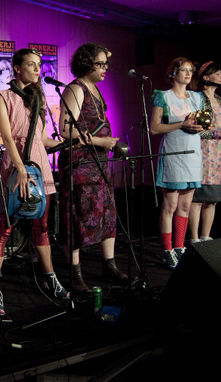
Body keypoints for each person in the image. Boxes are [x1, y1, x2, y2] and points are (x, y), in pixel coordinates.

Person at [0, 48, 69, 315]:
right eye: (32, 65)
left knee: (41, 227)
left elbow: (41, 140)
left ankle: (50, 279)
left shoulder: (38, 98)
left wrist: (68, 142)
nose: (37, 70)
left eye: (39, 65)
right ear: (17, 68)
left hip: (39, 169)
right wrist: (20, 169)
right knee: (4, 228)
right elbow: (8, 137)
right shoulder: (3, 96)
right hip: (16, 169)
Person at [56, 43, 128, 293]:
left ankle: (109, 265)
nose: (105, 68)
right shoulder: (75, 89)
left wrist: (112, 145)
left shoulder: (95, 90)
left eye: (106, 64)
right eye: (100, 63)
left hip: (99, 163)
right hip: (80, 164)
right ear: (87, 64)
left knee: (108, 212)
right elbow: (64, 130)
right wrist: (100, 141)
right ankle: (75, 272)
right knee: (78, 214)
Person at [150, 57, 204, 269]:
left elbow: (202, 122)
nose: (188, 74)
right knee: (170, 205)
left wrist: (200, 127)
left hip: (192, 155)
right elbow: (154, 128)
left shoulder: (196, 98)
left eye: (191, 70)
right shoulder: (163, 96)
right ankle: (167, 250)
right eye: (184, 70)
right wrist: (182, 124)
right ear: (173, 73)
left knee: (185, 206)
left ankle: (180, 247)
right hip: (173, 154)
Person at [188, 61, 221, 243]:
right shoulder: (197, 98)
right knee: (198, 199)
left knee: (213, 199)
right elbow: (198, 130)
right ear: (206, 77)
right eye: (218, 73)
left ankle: (205, 235)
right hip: (203, 153)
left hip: (219, 155)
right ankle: (194, 238)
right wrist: (220, 133)